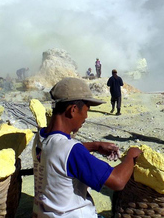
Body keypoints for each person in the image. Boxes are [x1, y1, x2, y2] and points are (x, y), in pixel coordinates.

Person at [32, 77, 141, 218]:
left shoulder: (41, 137)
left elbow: (57, 151)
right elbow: (118, 181)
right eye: (86, 110)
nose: (86, 116)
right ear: (73, 110)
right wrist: (131, 156)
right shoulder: (72, 150)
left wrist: (94, 146)